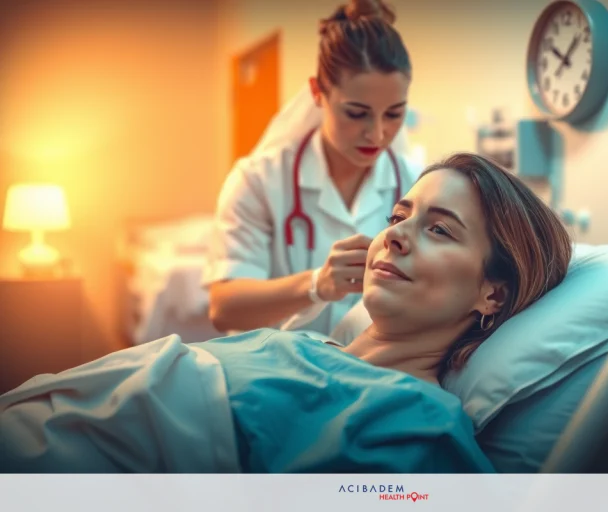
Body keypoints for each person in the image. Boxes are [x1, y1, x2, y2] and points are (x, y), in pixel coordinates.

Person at [0, 153, 572, 473]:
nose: (395, 237)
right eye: (399, 217)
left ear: (491, 295)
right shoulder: (308, 346)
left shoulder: (420, 424)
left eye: (439, 229)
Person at [203, 0, 423, 337]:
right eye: (356, 112)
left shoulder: (412, 183)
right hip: (277, 371)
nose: (377, 134)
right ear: (318, 92)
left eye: (394, 114)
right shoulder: (259, 180)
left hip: (372, 374)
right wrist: (316, 284)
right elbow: (224, 308)